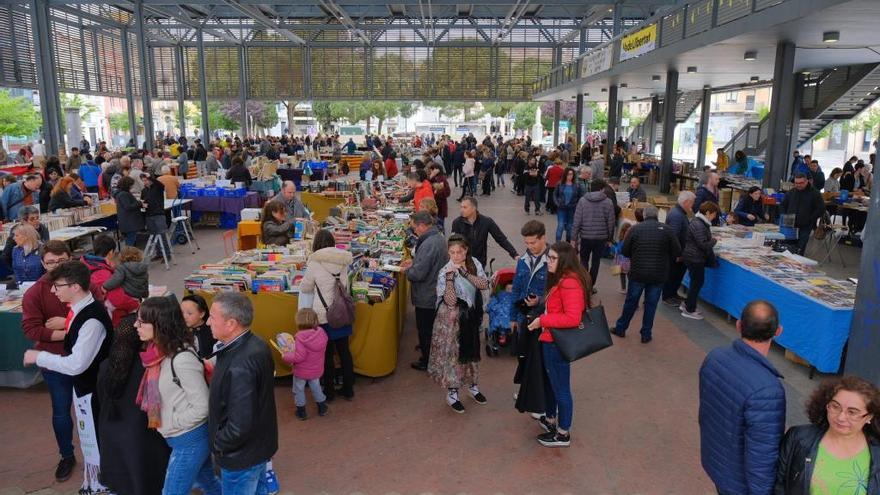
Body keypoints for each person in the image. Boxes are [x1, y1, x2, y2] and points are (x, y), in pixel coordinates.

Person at [23, 260, 114, 494]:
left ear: (75, 286)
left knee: (98, 440)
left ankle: (105, 485)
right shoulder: (79, 311)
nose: (54, 291)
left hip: (95, 391)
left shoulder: (91, 318)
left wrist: (39, 357)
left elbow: (76, 364)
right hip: (87, 390)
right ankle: (95, 482)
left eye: (58, 286)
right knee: (90, 439)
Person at [134, 297, 221, 495]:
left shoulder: (181, 359)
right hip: (180, 437)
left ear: (159, 324)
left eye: (141, 321)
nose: (135, 325)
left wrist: (173, 421)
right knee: (209, 484)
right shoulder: (157, 354)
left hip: (189, 440)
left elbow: (202, 405)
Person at [699, 300, 785, 495]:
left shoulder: (715, 357)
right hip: (739, 481)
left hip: (716, 461)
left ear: (739, 325)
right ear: (778, 331)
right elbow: (762, 455)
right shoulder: (768, 390)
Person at [207, 292, 278, 493]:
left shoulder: (239, 364)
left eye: (212, 317)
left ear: (231, 324)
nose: (207, 322)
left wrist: (218, 444)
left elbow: (240, 424)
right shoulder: (257, 344)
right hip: (258, 449)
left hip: (241, 457)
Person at [20, 241, 77, 483]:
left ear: (70, 258)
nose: (56, 266)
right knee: (61, 412)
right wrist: (72, 331)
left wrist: (65, 326)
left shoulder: (86, 285)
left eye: (61, 261)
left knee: (96, 410)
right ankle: (66, 456)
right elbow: (33, 330)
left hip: (89, 358)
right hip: (56, 361)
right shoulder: (35, 293)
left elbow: (98, 318)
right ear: (43, 263)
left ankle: (102, 453)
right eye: (50, 262)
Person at [524, 242, 590, 448]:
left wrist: (542, 321)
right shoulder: (563, 279)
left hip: (556, 342)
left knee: (561, 388)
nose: (548, 261)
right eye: (548, 257)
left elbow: (572, 318)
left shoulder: (570, 282)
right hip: (551, 340)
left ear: (564, 260)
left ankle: (563, 433)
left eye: (553, 258)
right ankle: (551, 419)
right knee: (552, 384)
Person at [96, 313, 171, 495]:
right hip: (144, 438)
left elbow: (100, 397)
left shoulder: (107, 365)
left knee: (120, 484)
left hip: (111, 435)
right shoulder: (151, 365)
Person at [775, 375, 880, 493]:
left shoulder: (877, 452)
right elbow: (779, 484)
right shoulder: (799, 438)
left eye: (852, 412)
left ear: (869, 417)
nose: (841, 417)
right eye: (835, 407)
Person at [428, 234, 490, 413]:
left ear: (466, 250)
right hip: (451, 320)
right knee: (454, 357)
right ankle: (452, 393)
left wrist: (464, 273)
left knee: (471, 351)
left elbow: (484, 284)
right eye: (452, 252)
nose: (455, 256)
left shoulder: (474, 264)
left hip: (470, 317)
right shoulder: (444, 271)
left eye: (459, 252)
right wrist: (449, 279)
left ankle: (473, 387)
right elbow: (450, 300)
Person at [299, 229, 355, 401]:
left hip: (324, 314)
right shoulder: (344, 259)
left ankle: (329, 392)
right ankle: (348, 389)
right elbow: (345, 284)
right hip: (342, 310)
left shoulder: (314, 262)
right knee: (344, 351)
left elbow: (305, 288)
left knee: (327, 354)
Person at [611, 206, 682, 343]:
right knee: (651, 304)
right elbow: (677, 251)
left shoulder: (635, 229)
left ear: (644, 215)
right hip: (658, 274)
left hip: (638, 273)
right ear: (657, 216)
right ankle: (646, 334)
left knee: (631, 302)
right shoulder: (667, 230)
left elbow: (625, 251)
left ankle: (621, 328)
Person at [401, 211, 449, 371]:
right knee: (429, 327)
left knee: (425, 328)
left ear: (422, 225)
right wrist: (414, 263)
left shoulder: (429, 243)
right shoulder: (437, 238)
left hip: (427, 293)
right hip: (433, 290)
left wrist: (407, 271)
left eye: (415, 227)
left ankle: (427, 360)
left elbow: (419, 273)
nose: (414, 231)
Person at [511, 221, 550, 413]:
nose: (530, 247)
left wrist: (540, 301)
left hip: (543, 320)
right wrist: (512, 317)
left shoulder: (554, 260)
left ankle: (540, 401)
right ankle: (528, 390)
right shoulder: (523, 260)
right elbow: (516, 288)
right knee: (524, 356)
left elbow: (558, 292)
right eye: (526, 243)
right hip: (523, 317)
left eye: (533, 242)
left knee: (540, 361)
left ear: (543, 238)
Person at [281, 308, 329, 420]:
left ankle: (301, 412)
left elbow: (299, 357)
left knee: (298, 389)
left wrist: (286, 356)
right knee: (316, 387)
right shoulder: (322, 333)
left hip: (301, 371)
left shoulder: (300, 338)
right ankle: (322, 407)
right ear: (315, 321)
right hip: (316, 369)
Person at [450, 197, 518, 269]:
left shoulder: (486, 221)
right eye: (461, 207)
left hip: (480, 262)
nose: (461, 210)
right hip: (462, 262)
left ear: (474, 208)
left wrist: (514, 254)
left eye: (465, 207)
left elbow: (501, 239)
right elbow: (453, 243)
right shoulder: (457, 222)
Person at [571, 180, 616, 290]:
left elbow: (577, 221)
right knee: (596, 262)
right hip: (601, 238)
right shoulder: (608, 202)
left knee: (584, 260)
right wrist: (610, 238)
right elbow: (611, 222)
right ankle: (591, 285)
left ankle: (584, 284)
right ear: (602, 189)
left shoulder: (582, 201)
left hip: (585, 237)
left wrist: (574, 238)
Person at [681, 202, 720, 320]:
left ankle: (688, 304)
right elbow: (703, 244)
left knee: (695, 282)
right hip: (695, 258)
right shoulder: (699, 224)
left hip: (693, 256)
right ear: (707, 213)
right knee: (696, 283)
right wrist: (714, 240)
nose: (714, 217)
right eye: (713, 214)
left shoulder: (699, 222)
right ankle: (689, 309)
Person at [662, 191, 695, 306]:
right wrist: (678, 254)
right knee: (673, 275)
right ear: (686, 202)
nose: (692, 205)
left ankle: (672, 294)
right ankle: (668, 296)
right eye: (692, 203)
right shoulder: (677, 215)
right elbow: (674, 236)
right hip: (676, 253)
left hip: (678, 251)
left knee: (676, 276)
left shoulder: (678, 212)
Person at [780, 173, 825, 255]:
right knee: (788, 247)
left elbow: (821, 209)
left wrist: (810, 219)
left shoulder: (815, 193)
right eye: (796, 183)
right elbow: (783, 205)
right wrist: (785, 216)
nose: (798, 185)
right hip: (790, 225)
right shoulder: (791, 192)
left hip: (805, 226)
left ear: (806, 181)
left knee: (800, 248)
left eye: (801, 183)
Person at [102, 246, 149, 317]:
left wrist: (104, 286)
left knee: (107, 306)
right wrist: (145, 295)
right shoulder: (143, 269)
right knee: (134, 314)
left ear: (122, 257)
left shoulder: (122, 268)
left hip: (127, 295)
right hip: (137, 298)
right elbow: (145, 284)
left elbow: (115, 280)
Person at [141, 172, 171, 258]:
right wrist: (143, 204)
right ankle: (159, 253)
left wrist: (150, 177)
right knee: (153, 235)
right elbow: (143, 201)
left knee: (162, 234)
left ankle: (167, 254)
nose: (145, 182)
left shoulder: (157, 187)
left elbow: (161, 185)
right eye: (143, 181)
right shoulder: (143, 191)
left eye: (146, 180)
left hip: (159, 214)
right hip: (149, 215)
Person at [180, 294, 217, 359]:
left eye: (189, 313)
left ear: (202, 314)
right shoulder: (179, 328)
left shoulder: (212, 333)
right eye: (181, 312)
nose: (184, 317)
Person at [553, 168, 583, 242]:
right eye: (568, 174)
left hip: (572, 209)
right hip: (561, 208)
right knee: (560, 226)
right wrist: (557, 203)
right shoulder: (560, 184)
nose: (570, 176)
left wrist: (577, 205)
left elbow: (580, 196)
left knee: (570, 227)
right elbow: (554, 194)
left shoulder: (577, 185)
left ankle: (568, 242)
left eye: (572, 174)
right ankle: (557, 244)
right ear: (565, 175)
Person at [114, 176, 145, 247]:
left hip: (127, 221)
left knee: (130, 240)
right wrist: (139, 203)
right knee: (130, 242)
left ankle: (129, 255)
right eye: (131, 184)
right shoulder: (124, 194)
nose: (132, 186)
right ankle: (128, 256)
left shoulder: (121, 193)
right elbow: (128, 206)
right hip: (130, 222)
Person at [428, 163, 451, 232]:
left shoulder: (442, 179)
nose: (430, 172)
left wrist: (436, 192)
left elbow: (447, 192)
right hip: (436, 206)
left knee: (440, 225)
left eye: (432, 170)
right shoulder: (434, 178)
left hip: (440, 206)